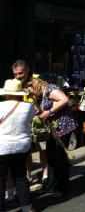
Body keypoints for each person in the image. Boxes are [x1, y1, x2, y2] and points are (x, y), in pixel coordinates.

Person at [30, 77, 77, 197]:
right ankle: (51, 186)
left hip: (62, 127)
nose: (29, 92)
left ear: (35, 86)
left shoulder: (49, 89)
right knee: (51, 157)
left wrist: (49, 112)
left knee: (59, 158)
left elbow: (64, 99)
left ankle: (63, 188)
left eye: (30, 89)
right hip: (53, 128)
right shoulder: (42, 94)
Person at [0, 79, 37, 212]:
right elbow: (33, 116)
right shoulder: (28, 106)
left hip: (1, 147)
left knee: (1, 179)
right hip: (21, 147)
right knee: (20, 177)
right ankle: (27, 207)